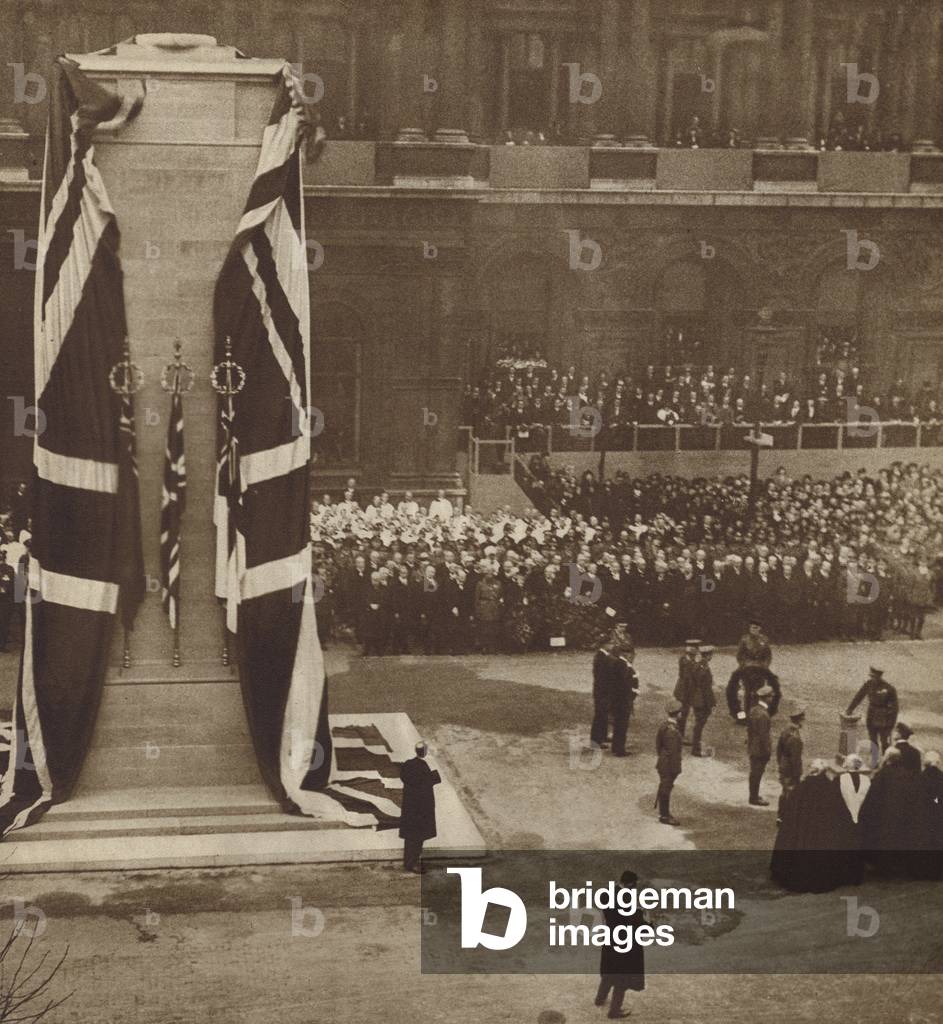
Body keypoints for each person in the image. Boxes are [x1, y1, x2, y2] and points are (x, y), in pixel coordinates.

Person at [595, 869, 646, 1019]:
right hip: (623, 941)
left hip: (610, 939)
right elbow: (632, 921)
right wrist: (646, 921)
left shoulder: (607, 892)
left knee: (610, 972)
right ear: (630, 883)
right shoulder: (626, 899)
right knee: (622, 978)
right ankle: (614, 1011)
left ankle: (599, 999)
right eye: (634, 885)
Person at [398, 740, 441, 874]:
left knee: (411, 838)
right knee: (417, 838)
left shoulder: (408, 765)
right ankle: (413, 863)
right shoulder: (423, 768)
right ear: (425, 752)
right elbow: (430, 780)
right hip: (420, 808)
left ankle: (409, 862)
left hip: (410, 808)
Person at [846, 667, 899, 765]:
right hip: (871, 716)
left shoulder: (889, 688)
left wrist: (891, 724)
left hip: (884, 719)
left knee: (884, 742)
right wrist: (850, 709)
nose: (872, 678)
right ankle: (875, 762)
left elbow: (895, 708)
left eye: (874, 676)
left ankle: (887, 763)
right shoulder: (868, 684)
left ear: (879, 676)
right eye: (871, 676)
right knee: (873, 741)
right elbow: (859, 696)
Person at [655, 702, 684, 825]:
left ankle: (664, 813)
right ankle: (664, 816)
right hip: (669, 765)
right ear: (677, 714)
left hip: (663, 761)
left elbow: (658, 745)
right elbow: (673, 752)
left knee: (664, 787)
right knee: (666, 788)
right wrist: (676, 769)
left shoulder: (665, 726)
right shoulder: (672, 731)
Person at [776, 707, 805, 821]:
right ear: (799, 719)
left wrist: (781, 762)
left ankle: (781, 816)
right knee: (791, 792)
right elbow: (795, 759)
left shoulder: (785, 730)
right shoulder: (795, 737)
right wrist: (797, 773)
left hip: (784, 765)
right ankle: (786, 817)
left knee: (784, 792)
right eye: (803, 717)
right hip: (790, 769)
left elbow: (779, 749)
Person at [747, 684, 773, 806]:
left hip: (753, 746)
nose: (772, 698)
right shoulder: (763, 714)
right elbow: (763, 736)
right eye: (770, 696)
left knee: (754, 772)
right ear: (766, 698)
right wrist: (767, 750)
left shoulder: (753, 710)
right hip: (760, 749)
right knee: (757, 773)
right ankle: (754, 798)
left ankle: (753, 795)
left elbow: (750, 730)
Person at [689, 644, 716, 757]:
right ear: (707, 656)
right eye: (710, 655)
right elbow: (705, 688)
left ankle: (696, 747)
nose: (711, 657)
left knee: (699, 724)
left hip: (698, 699)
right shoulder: (703, 668)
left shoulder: (700, 666)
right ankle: (696, 749)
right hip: (701, 700)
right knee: (699, 724)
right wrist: (711, 702)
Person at [673, 638, 701, 741]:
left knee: (689, 714)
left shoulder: (696, 659)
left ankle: (682, 734)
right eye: (692, 648)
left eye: (696, 648)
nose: (695, 650)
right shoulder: (684, 660)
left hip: (691, 691)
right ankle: (679, 735)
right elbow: (685, 675)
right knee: (682, 714)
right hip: (683, 691)